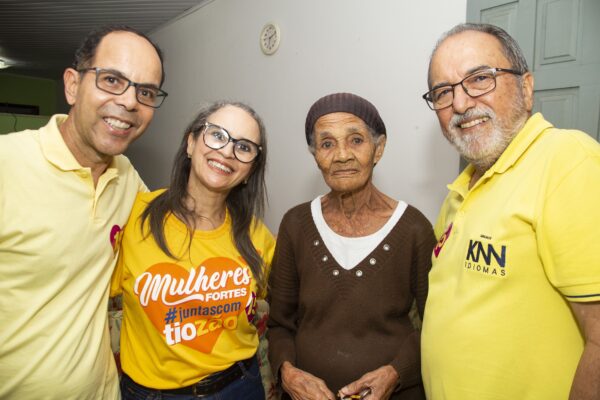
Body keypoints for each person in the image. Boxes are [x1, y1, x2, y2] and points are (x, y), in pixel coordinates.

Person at [420, 23, 600, 399]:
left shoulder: (566, 160)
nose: (460, 104)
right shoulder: (457, 194)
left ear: (526, 87)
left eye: (479, 79)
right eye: (443, 92)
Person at [0, 25, 166, 399]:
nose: (129, 102)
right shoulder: (6, 164)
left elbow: (175, 231)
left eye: (145, 92)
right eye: (112, 80)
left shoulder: (127, 178)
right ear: (73, 85)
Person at [268, 92, 436, 400]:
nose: (342, 155)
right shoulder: (295, 224)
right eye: (327, 144)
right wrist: (288, 374)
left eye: (356, 140)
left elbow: (437, 327)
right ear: (315, 155)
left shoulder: (414, 228)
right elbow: (279, 324)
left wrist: (396, 372)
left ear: (378, 149)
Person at [110, 101, 276, 400]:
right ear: (191, 143)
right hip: (154, 394)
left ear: (250, 169)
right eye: (217, 135)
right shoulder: (133, 218)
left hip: (240, 386)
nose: (227, 151)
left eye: (244, 147)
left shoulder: (258, 236)